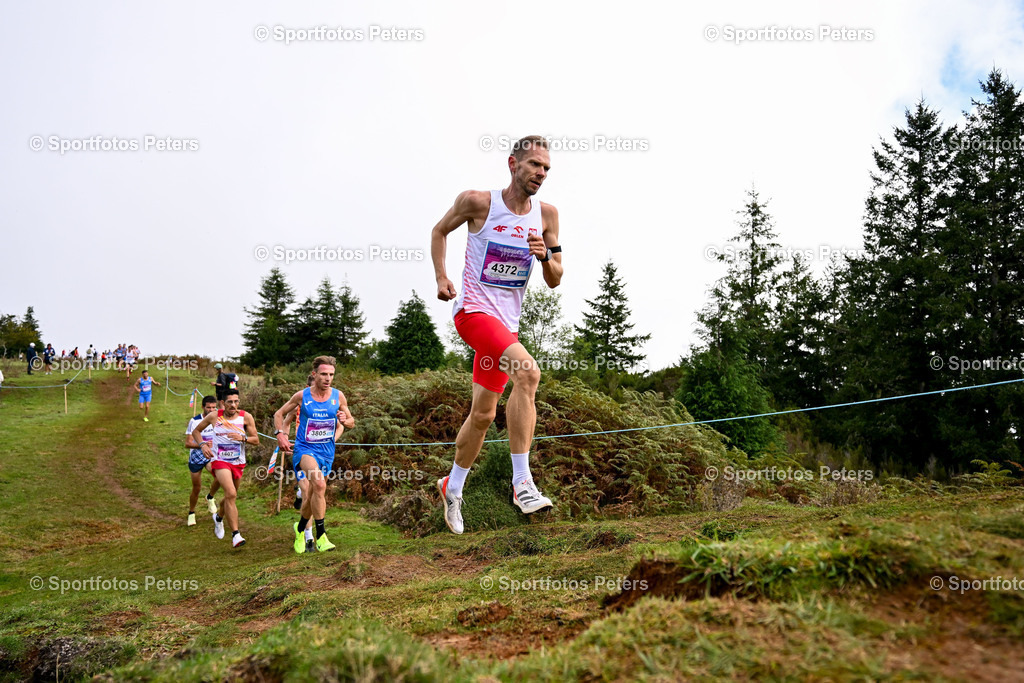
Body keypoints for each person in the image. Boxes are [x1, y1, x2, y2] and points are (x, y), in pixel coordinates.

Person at [430, 135, 563, 534]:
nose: (540, 173)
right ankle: (522, 482)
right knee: (528, 373)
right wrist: (441, 276)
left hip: (507, 325)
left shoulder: (548, 215)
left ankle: (451, 488)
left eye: (546, 168)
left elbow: (556, 279)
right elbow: (439, 231)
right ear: (513, 164)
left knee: (484, 414)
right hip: (473, 313)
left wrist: (544, 258)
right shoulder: (478, 202)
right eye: (534, 165)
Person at [273, 356, 355, 554]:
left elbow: (351, 422)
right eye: (324, 374)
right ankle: (321, 536)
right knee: (319, 484)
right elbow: (279, 414)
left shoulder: (338, 396)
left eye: (331, 375)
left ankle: (300, 528)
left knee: (312, 495)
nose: (328, 378)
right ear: (314, 374)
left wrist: (346, 419)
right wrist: (281, 435)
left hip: (326, 451)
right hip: (304, 449)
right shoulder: (302, 396)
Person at [191, 388, 258, 548]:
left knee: (230, 497)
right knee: (231, 493)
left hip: (238, 462)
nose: (233, 405)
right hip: (219, 461)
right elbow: (196, 431)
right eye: (230, 402)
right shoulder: (215, 416)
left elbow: (256, 440)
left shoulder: (246, 417)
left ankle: (219, 517)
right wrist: (202, 445)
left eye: (236, 401)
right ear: (223, 403)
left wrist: (243, 438)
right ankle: (236, 535)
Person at [184, 395, 222, 526]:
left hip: (211, 456)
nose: (211, 410)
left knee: (220, 477)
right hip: (196, 456)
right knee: (196, 487)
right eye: (208, 407)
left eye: (213, 407)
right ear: (202, 407)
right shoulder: (194, 421)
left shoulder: (218, 420)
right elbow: (188, 443)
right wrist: (203, 444)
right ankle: (191, 513)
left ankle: (210, 497)